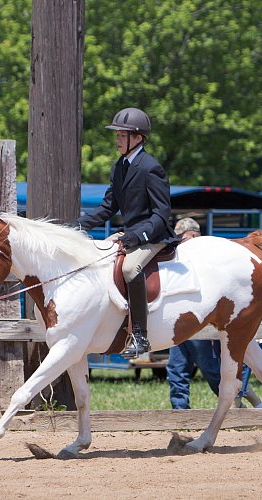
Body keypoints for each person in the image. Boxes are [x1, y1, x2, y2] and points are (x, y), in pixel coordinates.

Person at [76, 107, 177, 359]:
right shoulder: (119, 167)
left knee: (130, 269)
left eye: (122, 134)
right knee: (97, 254)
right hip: (130, 233)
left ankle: (140, 336)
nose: (117, 139)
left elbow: (161, 214)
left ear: (138, 137)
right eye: (117, 134)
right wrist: (79, 226)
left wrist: (136, 236)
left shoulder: (151, 168)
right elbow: (109, 206)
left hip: (154, 235)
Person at [166, 217, 262, 409]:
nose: (187, 240)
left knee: (211, 368)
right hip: (178, 320)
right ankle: (180, 410)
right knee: (176, 368)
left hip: (199, 319)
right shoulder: (174, 256)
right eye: (183, 236)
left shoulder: (205, 257)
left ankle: (236, 402)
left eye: (191, 236)